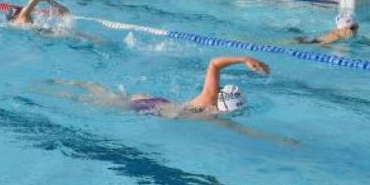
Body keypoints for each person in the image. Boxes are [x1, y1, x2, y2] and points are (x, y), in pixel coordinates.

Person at [49, 56, 270, 118]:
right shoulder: (209, 104)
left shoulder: (211, 98)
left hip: (160, 102)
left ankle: (78, 83)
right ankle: (59, 90)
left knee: (110, 94)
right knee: (100, 101)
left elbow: (215, 64)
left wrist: (244, 59)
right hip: (151, 108)